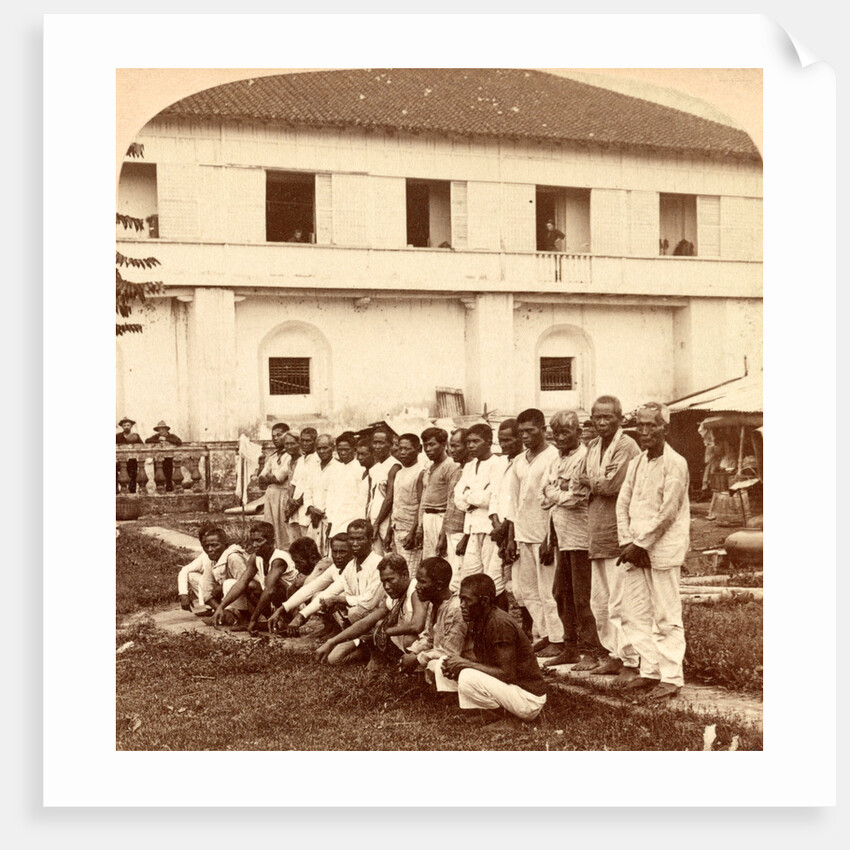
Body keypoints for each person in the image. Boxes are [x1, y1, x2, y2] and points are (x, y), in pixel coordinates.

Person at [616, 402, 690, 701]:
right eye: (641, 425)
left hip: (661, 550)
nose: (645, 431)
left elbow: (668, 513)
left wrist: (642, 544)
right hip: (634, 549)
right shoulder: (638, 462)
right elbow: (624, 502)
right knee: (634, 612)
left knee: (666, 615)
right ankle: (650, 671)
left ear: (665, 428)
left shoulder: (676, 463)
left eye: (652, 425)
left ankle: (671, 677)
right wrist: (627, 542)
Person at [575, 395, 642, 678]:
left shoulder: (626, 446)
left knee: (621, 601)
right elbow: (580, 477)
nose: (602, 422)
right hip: (596, 532)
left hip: (619, 533)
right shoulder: (593, 446)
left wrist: (594, 483)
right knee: (600, 602)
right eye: (597, 417)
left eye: (608, 417)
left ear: (620, 418)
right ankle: (614, 654)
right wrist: (595, 482)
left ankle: (631, 660)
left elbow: (612, 485)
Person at [437, 574, 547, 726]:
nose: (461, 605)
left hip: (528, 698)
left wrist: (464, 664)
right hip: (510, 690)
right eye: (461, 599)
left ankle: (506, 718)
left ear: (485, 601)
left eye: (467, 600)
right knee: (445, 661)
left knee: (467, 675)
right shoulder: (477, 618)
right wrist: (456, 665)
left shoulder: (499, 623)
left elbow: (507, 674)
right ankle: (479, 710)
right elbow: (486, 661)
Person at [539, 410, 602, 668]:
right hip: (562, 536)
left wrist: (557, 492)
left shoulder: (585, 458)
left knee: (582, 596)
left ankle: (592, 651)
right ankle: (570, 646)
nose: (561, 438)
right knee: (560, 593)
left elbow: (576, 496)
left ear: (578, 432)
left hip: (582, 537)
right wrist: (559, 492)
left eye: (566, 432)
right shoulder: (556, 460)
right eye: (556, 433)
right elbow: (545, 493)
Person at [504, 408, 563, 658]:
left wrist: (550, 539)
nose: (526, 436)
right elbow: (514, 502)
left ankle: (558, 639)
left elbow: (555, 501)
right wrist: (511, 538)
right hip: (523, 534)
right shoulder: (520, 460)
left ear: (543, 429)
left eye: (530, 431)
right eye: (522, 432)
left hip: (544, 535)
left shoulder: (553, 457)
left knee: (547, 590)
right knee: (525, 590)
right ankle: (545, 634)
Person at [315, 554, 426, 668]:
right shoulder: (393, 597)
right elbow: (366, 622)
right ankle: (369, 649)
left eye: (390, 580)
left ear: (404, 575)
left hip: (425, 642)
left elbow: (416, 626)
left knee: (408, 638)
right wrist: (331, 642)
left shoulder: (416, 590)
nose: (386, 586)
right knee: (334, 658)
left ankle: (410, 668)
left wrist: (384, 632)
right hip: (393, 640)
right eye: (383, 582)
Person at [453, 423, 508, 609]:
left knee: (494, 580)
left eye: (476, 441)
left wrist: (470, 495)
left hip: (490, 528)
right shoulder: (469, 466)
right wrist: (473, 497)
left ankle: (501, 623)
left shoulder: (499, 464)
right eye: (468, 442)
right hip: (472, 528)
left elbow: (491, 497)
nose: (471, 445)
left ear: (489, 442)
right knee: (469, 577)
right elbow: (458, 498)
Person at [297, 519, 384, 635]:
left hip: (380, 615)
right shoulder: (351, 566)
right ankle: (345, 634)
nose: (355, 543)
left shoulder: (379, 563)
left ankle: (364, 640)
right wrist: (302, 615)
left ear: (371, 541)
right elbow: (330, 592)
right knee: (329, 599)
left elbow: (368, 602)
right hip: (364, 613)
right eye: (352, 539)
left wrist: (338, 599)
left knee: (353, 611)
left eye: (360, 539)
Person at [211, 521, 299, 630]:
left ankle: (284, 621)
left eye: (259, 541)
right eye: (252, 541)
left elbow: (270, 590)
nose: (254, 545)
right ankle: (266, 621)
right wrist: (221, 607)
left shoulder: (279, 559)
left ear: (272, 542)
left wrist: (254, 618)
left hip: (292, 603)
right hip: (275, 603)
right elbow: (241, 582)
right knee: (249, 586)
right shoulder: (255, 557)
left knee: (275, 587)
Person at [267, 533, 352, 636]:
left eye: (343, 552)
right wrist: (280, 610)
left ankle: (340, 631)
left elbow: (326, 593)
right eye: (335, 552)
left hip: (359, 611)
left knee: (324, 597)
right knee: (319, 596)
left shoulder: (347, 568)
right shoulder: (334, 568)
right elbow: (310, 589)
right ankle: (332, 630)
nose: (338, 556)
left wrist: (300, 616)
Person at [401, 557, 469, 682]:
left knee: (436, 665)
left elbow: (450, 653)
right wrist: (413, 653)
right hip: (442, 653)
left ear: (438, 585)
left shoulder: (456, 610)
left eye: (422, 582)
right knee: (411, 645)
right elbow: (429, 637)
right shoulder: (434, 603)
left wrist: (416, 659)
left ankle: (448, 694)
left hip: (461, 662)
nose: (417, 587)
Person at [177, 526, 249, 618]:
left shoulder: (234, 557)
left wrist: (221, 587)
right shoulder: (211, 559)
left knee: (229, 584)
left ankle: (245, 618)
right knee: (202, 581)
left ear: (226, 545)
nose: (210, 549)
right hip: (228, 598)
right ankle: (222, 613)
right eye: (207, 546)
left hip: (252, 601)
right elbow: (206, 591)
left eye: (215, 545)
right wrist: (220, 610)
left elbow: (246, 586)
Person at [490, 419, 522, 611]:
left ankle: (530, 629)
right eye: (501, 440)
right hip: (498, 530)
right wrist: (496, 524)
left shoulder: (523, 462)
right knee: (497, 581)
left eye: (509, 440)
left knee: (520, 586)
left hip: (514, 531)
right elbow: (494, 496)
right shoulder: (501, 463)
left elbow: (516, 503)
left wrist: (506, 530)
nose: (504, 444)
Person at [415, 428, 457, 560]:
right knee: (429, 562)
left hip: (441, 517)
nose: (427, 449)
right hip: (428, 518)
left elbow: (452, 501)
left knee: (444, 559)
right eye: (425, 445)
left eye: (432, 444)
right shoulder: (428, 469)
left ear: (444, 444)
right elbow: (424, 500)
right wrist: (420, 527)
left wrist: (443, 533)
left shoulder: (450, 466)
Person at [437, 428, 468, 591]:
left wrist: (466, 538)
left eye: (456, 446)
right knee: (451, 578)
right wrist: (443, 535)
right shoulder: (456, 470)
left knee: (459, 581)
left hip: (463, 533)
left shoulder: (470, 471)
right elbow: (449, 505)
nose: (452, 450)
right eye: (451, 446)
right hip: (451, 531)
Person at [391, 433, 425, 574]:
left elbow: (420, 505)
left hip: (409, 530)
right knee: (397, 570)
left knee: (409, 572)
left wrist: (413, 532)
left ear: (418, 449)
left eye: (407, 449)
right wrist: (389, 530)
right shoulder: (400, 472)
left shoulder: (420, 472)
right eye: (400, 449)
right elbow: (395, 502)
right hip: (396, 527)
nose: (402, 452)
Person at [324, 432, 368, 540]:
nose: (342, 453)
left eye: (346, 450)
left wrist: (359, 524)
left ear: (354, 449)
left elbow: (363, 499)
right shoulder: (335, 469)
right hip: (336, 519)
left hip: (352, 520)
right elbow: (331, 496)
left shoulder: (360, 469)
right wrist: (330, 521)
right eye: (340, 450)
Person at [258, 422, 294, 549]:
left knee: (283, 528)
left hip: (283, 495)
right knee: (270, 526)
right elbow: (261, 478)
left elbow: (279, 478)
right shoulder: (272, 457)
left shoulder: (290, 456)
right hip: (270, 496)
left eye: (279, 435)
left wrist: (271, 477)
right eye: (273, 436)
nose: (275, 438)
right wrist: (270, 478)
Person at [367, 427, 402, 554]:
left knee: (390, 557)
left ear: (390, 444)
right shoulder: (374, 469)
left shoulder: (395, 466)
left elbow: (390, 499)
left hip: (387, 521)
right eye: (375, 442)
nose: (377, 446)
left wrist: (378, 524)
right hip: (374, 520)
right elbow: (371, 498)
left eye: (381, 443)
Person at [304, 433, 337, 555]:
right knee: (312, 553)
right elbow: (307, 491)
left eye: (325, 448)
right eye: (319, 448)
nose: (322, 451)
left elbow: (337, 496)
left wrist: (324, 513)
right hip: (313, 519)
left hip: (329, 519)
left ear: (332, 448)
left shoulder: (339, 468)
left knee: (328, 553)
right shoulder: (313, 468)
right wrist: (311, 508)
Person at [287, 427, 318, 542]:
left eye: (308, 441)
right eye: (302, 440)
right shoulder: (301, 460)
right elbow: (294, 483)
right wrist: (290, 500)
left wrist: (298, 502)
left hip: (305, 506)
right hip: (294, 509)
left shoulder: (317, 460)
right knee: (294, 541)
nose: (304, 443)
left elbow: (311, 486)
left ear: (314, 442)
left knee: (307, 540)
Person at [145, 420, 183, 492]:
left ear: (166, 429)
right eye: (159, 429)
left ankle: (169, 490)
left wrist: (166, 439)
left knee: (168, 475)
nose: (161, 431)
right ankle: (159, 490)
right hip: (158, 459)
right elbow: (147, 441)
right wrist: (158, 440)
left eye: (162, 429)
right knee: (158, 475)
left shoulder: (172, 436)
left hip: (168, 459)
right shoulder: (156, 436)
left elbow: (179, 442)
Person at [116, 416, 142, 493]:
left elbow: (142, 446)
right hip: (120, 460)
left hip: (132, 461)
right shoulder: (118, 436)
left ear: (131, 426)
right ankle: (116, 491)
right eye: (124, 425)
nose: (126, 427)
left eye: (128, 425)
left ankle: (132, 492)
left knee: (133, 476)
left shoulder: (135, 436)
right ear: (122, 427)